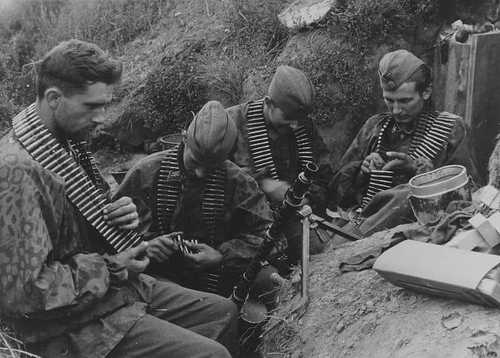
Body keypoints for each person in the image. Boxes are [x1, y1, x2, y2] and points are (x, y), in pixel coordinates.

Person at [0, 39, 238, 358]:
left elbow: (87, 218)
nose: (102, 118)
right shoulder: (15, 173)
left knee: (223, 311)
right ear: (54, 99)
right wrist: (111, 268)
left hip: (109, 291)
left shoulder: (68, 143)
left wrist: (119, 212)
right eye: (91, 107)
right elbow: (26, 293)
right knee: (212, 355)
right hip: (69, 326)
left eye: (105, 105)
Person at [114, 100, 284, 304]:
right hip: (157, 276)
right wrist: (146, 245)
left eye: (211, 167)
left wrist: (221, 256)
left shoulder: (237, 181)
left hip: (217, 276)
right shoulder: (146, 172)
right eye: (195, 161)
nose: (200, 173)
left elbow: (271, 237)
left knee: (271, 283)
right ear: (184, 138)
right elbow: (111, 234)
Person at [328, 49, 480, 236]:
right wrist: (362, 170)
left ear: (426, 92)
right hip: (362, 222)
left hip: (421, 229)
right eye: (389, 100)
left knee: (406, 193)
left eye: (405, 100)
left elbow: (468, 194)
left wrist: (420, 173)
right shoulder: (374, 126)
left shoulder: (451, 129)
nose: (396, 110)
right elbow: (337, 193)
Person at [227, 65, 334, 258]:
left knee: (322, 253)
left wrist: (307, 197)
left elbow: (323, 171)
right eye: (288, 118)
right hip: (248, 224)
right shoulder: (232, 122)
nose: (294, 125)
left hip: (296, 216)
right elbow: (216, 177)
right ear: (268, 103)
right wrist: (262, 184)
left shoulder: (302, 125)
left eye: (298, 119)